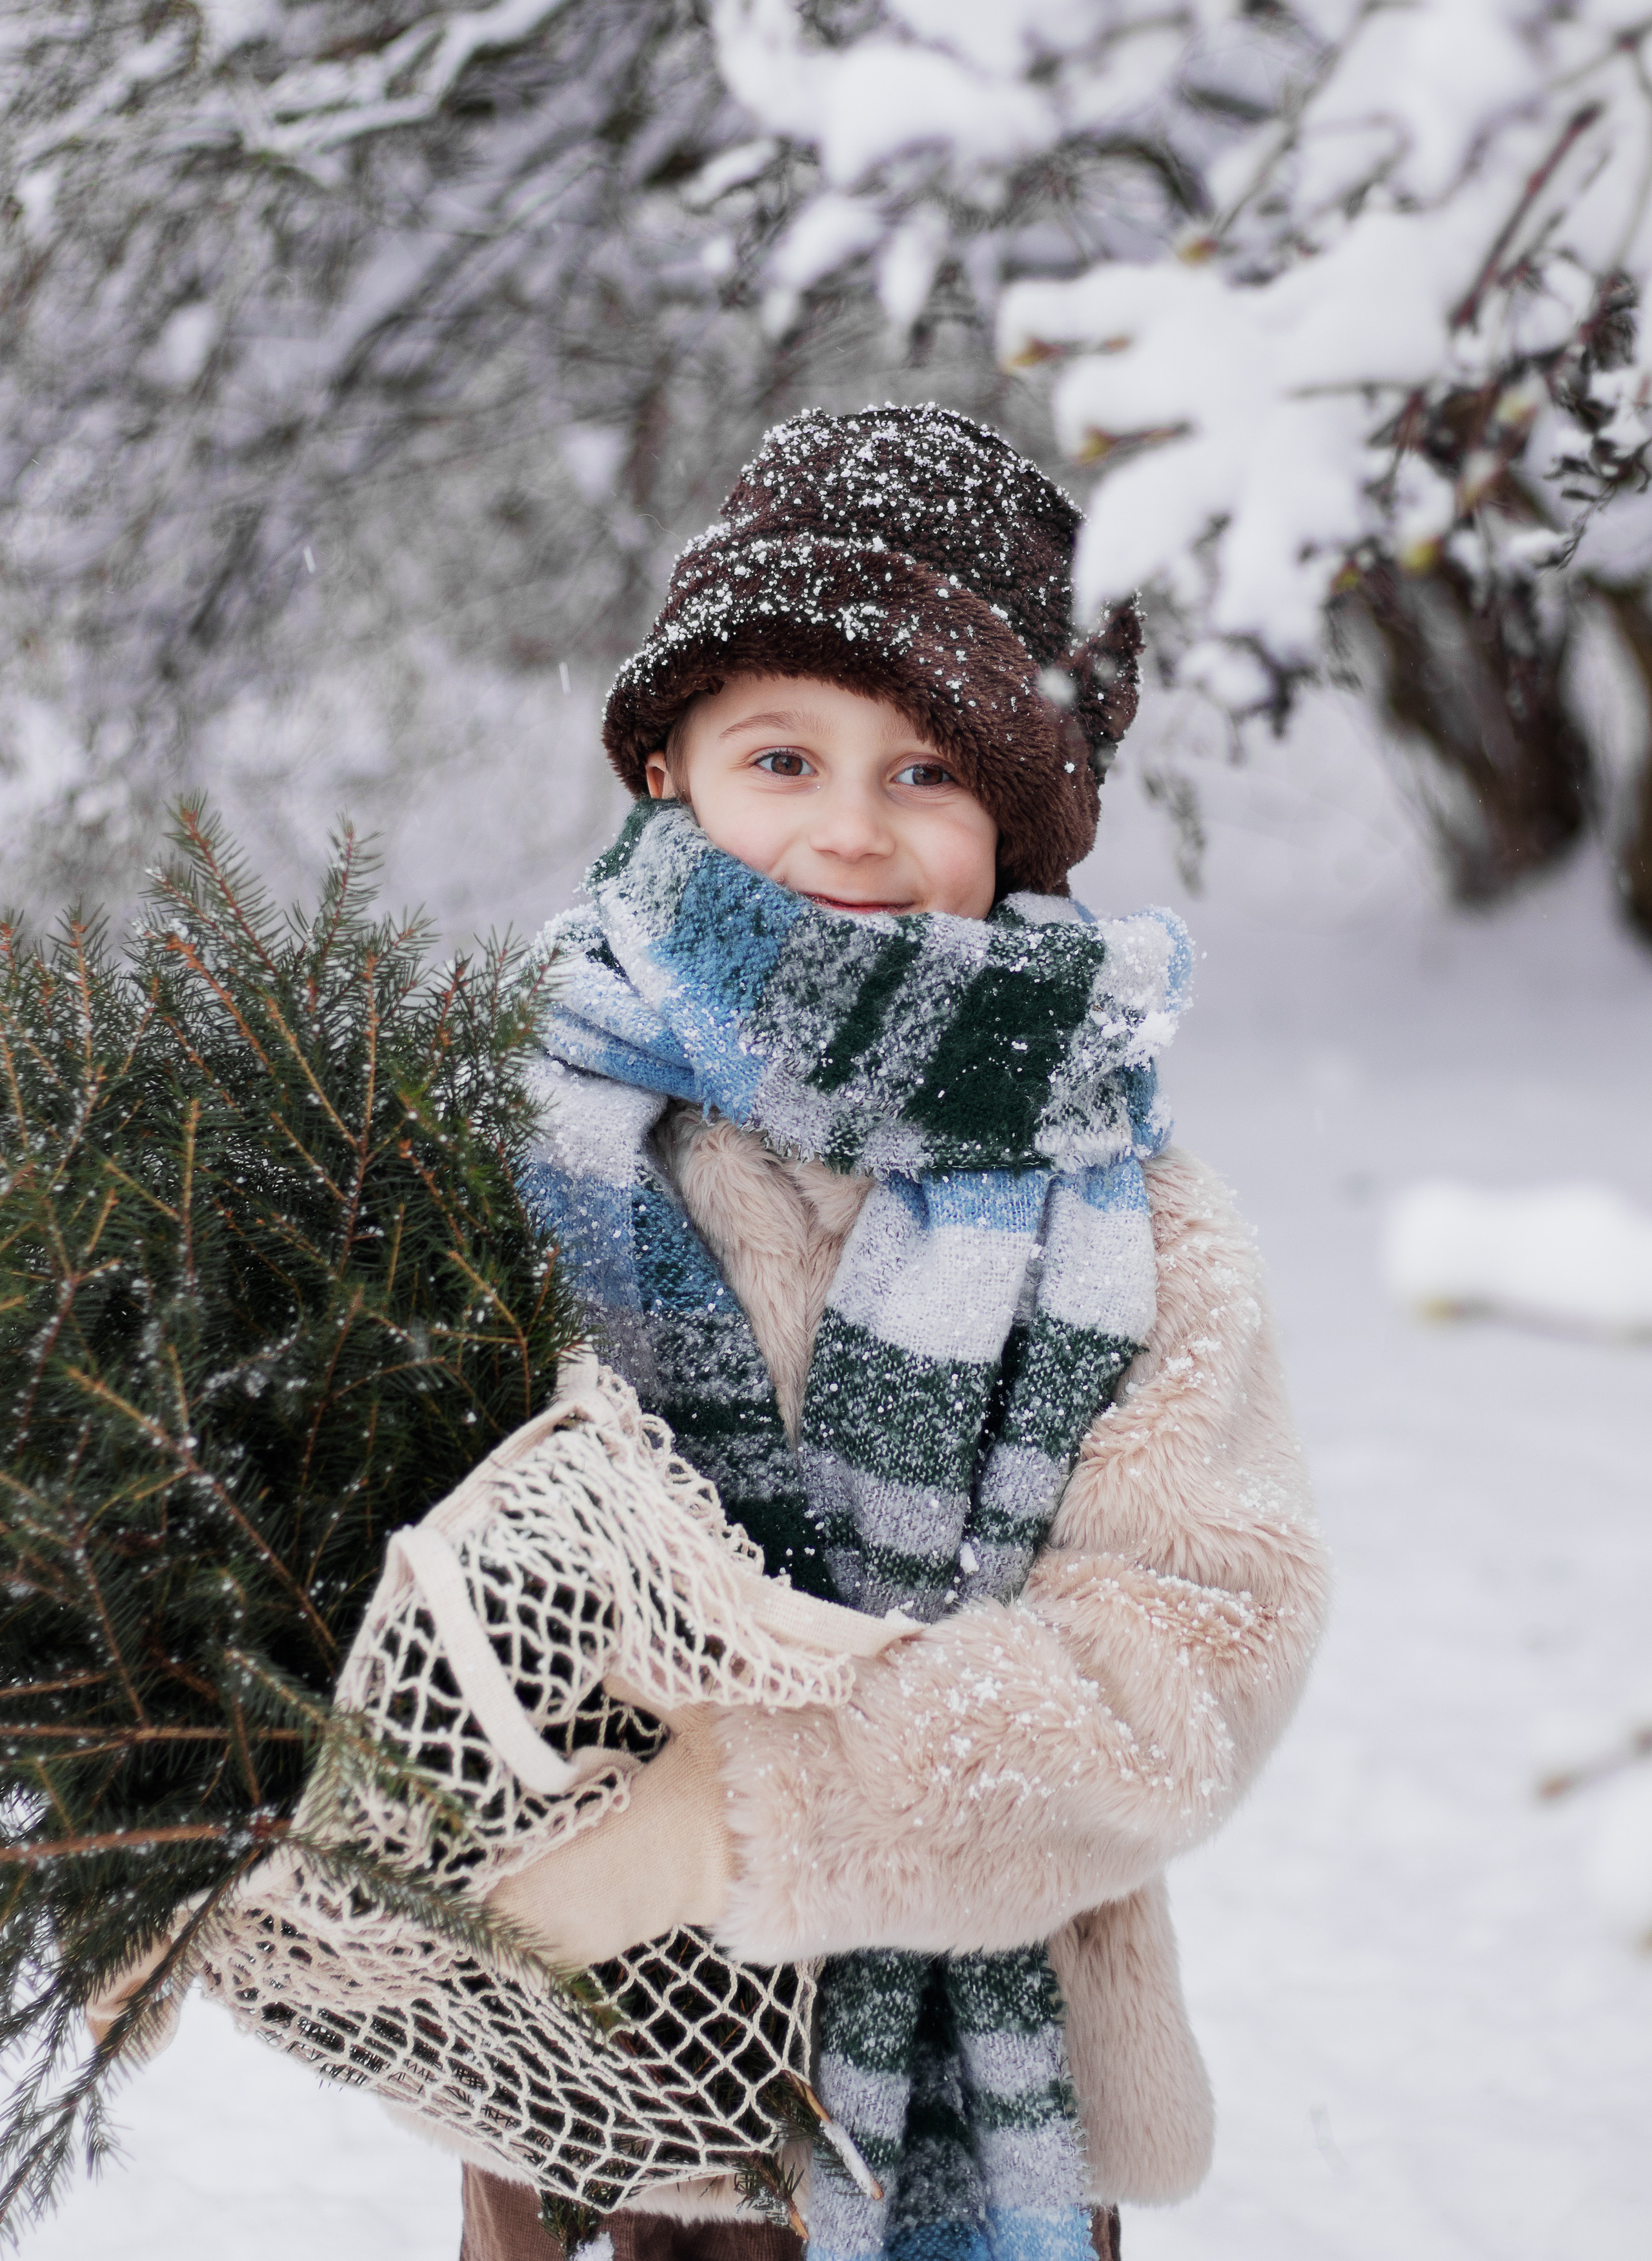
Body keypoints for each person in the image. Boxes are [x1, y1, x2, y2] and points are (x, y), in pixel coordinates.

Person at [464, 406, 1330, 2261]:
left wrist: (749, 1816)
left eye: (928, 770)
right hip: (589, 2109)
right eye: (783, 755)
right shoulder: (529, 1143)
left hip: (984, 2100)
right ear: (667, 772)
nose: (849, 830)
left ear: (1016, 822)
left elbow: (1193, 1658)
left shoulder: (1134, 1226)